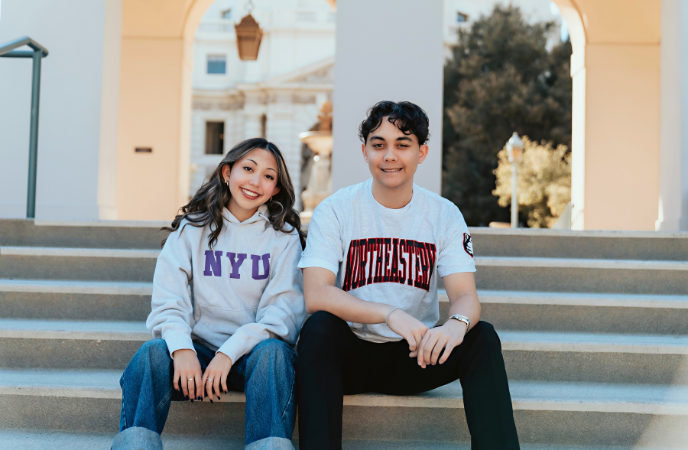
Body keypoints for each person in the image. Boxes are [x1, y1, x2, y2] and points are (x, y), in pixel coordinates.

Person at [296, 101, 520, 449]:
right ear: (364, 151)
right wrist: (390, 314)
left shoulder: (443, 214)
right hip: (349, 356)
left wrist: (455, 325)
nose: (390, 156)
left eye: (403, 144)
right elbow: (316, 294)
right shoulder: (337, 209)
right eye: (379, 144)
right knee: (318, 328)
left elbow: (465, 296)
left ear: (422, 152)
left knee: (482, 337)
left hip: (416, 354)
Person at [112, 138, 307, 450]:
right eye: (248, 169)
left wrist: (229, 353)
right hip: (197, 358)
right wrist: (182, 349)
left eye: (269, 176)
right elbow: (168, 299)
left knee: (274, 353)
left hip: (252, 360)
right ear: (227, 173)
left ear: (276, 190)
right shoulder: (193, 228)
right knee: (151, 354)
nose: (256, 182)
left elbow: (282, 316)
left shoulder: (283, 238)